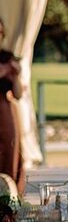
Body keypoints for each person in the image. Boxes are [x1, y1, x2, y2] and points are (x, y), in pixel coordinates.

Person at [0, 20, 25, 194]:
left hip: (4, 109)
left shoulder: (6, 56)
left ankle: (11, 194)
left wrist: (15, 75)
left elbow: (18, 94)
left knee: (11, 150)